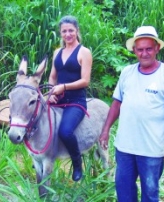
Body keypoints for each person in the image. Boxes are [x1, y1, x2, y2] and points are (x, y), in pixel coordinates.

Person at [99, 26, 164, 201]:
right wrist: (106, 129)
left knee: (150, 194)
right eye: (140, 49)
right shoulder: (126, 73)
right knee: (124, 193)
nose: (144, 53)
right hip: (124, 148)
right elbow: (116, 103)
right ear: (134, 50)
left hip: (152, 150)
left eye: (148, 49)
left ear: (157, 48)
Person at [48, 15, 93, 181]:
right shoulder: (57, 52)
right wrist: (52, 92)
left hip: (76, 101)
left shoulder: (84, 52)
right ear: (60, 33)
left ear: (77, 31)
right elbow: (53, 77)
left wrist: (64, 87)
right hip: (58, 99)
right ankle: (43, 155)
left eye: (71, 31)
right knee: (37, 120)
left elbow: (85, 81)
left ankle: (76, 163)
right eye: (64, 31)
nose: (68, 34)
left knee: (65, 131)